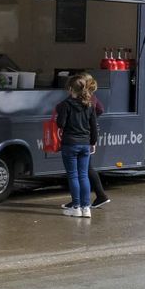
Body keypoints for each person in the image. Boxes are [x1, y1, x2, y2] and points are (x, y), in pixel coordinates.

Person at [61, 75, 111, 210]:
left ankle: (78, 204)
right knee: (84, 173)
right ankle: (85, 205)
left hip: (72, 141)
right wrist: (93, 140)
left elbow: (61, 122)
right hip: (86, 140)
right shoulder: (90, 101)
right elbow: (98, 113)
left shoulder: (68, 102)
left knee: (75, 174)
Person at [57, 73, 98, 218]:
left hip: (70, 144)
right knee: (83, 175)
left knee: (73, 176)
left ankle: (76, 207)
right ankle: (86, 208)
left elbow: (60, 124)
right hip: (85, 144)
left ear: (70, 89)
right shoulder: (90, 105)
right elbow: (94, 127)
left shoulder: (66, 105)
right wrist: (93, 143)